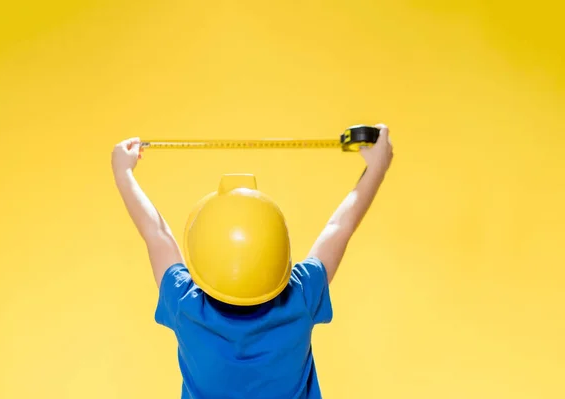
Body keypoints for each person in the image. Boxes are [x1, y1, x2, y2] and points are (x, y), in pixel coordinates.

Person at [111, 124, 394, 399]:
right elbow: (339, 227)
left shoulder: (185, 305)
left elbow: (156, 234)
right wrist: (377, 169)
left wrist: (123, 172)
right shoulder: (302, 296)